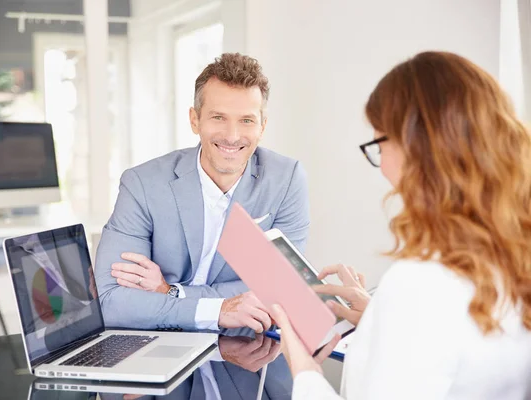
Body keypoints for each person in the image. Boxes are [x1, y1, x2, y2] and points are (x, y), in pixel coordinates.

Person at [271, 51, 531, 399]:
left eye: (379, 142)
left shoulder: (420, 283)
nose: (380, 166)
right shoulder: (515, 251)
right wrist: (379, 319)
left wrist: (303, 369)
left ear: (418, 146)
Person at [95, 53, 310, 333]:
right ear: (195, 120)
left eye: (246, 120)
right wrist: (218, 310)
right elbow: (112, 302)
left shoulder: (286, 178)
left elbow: (285, 287)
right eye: (218, 117)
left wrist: (170, 292)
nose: (232, 136)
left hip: (246, 345)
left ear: (262, 126)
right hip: (159, 343)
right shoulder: (143, 184)